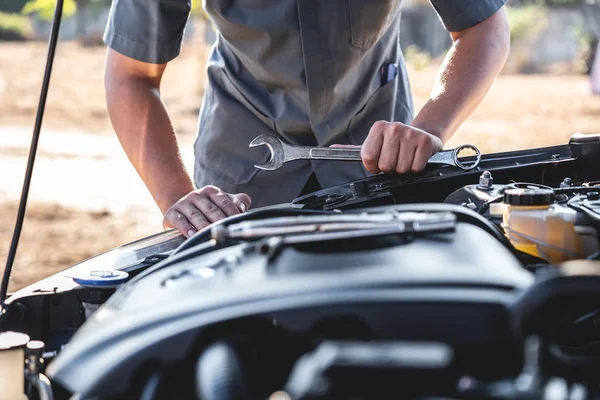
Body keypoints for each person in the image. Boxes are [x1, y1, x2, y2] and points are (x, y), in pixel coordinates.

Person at [103, 0, 510, 238]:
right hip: (240, 178)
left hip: (383, 169)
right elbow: (132, 76)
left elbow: (485, 28)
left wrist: (430, 126)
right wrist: (176, 197)